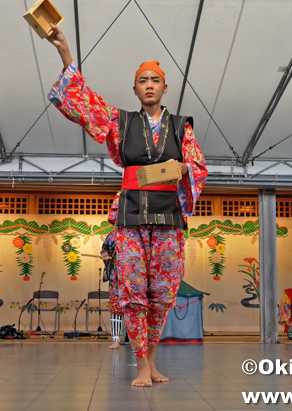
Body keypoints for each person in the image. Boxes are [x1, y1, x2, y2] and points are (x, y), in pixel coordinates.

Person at [45, 24, 207, 387]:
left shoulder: (182, 127)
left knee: (163, 293)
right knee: (133, 290)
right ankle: (141, 364)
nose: (149, 85)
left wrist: (183, 167)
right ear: (135, 89)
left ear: (165, 87)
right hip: (130, 214)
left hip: (167, 217)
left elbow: (199, 166)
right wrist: (64, 52)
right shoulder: (121, 121)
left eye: (155, 80)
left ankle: (152, 360)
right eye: (142, 81)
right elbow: (85, 101)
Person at [101, 231, 124, 350]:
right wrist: (106, 255)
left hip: (136, 280)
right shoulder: (113, 235)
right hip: (116, 279)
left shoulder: (138, 232)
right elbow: (105, 252)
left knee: (136, 309)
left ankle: (137, 341)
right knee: (115, 310)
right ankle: (116, 339)